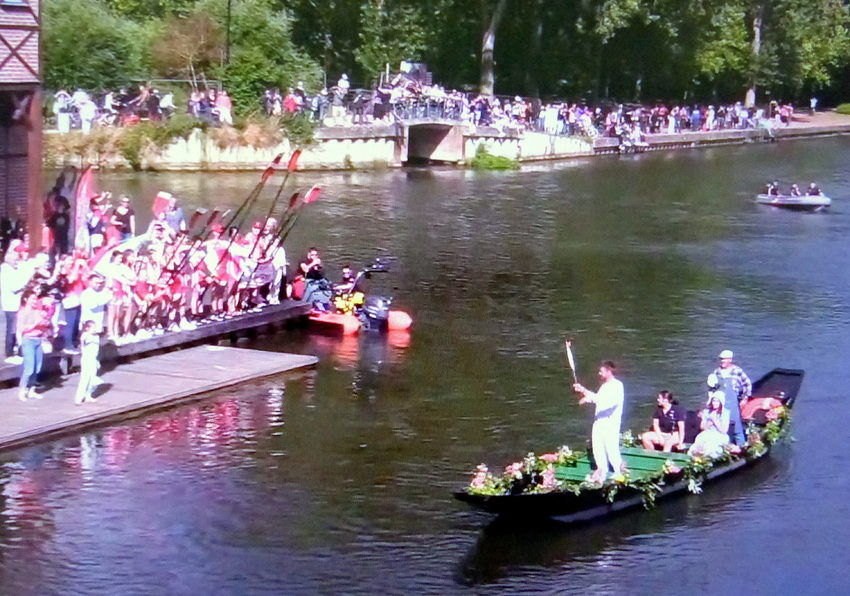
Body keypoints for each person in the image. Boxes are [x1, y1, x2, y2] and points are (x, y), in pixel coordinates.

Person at [573, 361, 627, 483]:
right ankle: (602, 471)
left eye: (601, 371)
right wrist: (587, 398)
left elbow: (607, 402)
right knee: (597, 448)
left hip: (610, 423)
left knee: (611, 448)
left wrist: (584, 390)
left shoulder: (617, 386)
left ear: (609, 371)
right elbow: (598, 399)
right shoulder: (604, 386)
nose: (599, 373)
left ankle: (619, 472)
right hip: (599, 422)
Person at [16, 289, 55, 401]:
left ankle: (32, 389)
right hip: (28, 340)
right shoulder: (22, 312)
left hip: (38, 339)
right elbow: (21, 328)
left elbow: (43, 326)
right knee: (29, 367)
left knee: (37, 367)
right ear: (26, 299)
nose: (35, 301)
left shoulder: (37, 312)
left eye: (35, 298)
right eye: (32, 299)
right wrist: (35, 324)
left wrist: (45, 323)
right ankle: (23, 390)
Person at [711, 350, 751, 445]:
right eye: (721, 359)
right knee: (720, 427)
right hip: (720, 404)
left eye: (724, 359)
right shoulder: (717, 372)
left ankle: (741, 446)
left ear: (730, 360)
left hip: (732, 404)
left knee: (737, 427)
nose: (722, 361)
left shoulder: (737, 371)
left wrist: (745, 398)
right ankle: (725, 447)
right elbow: (712, 389)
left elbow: (747, 384)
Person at [0, 250, 32, 363]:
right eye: (15, 259)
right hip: (11, 304)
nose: (17, 261)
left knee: (15, 328)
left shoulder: (12, 270)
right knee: (12, 329)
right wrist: (26, 280)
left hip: (16, 303)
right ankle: (9, 353)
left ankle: (15, 350)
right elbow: (15, 287)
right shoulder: (5, 271)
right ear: (8, 260)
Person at [689, 389, 730, 458]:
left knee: (711, 442)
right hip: (707, 432)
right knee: (701, 438)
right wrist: (708, 423)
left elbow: (724, 430)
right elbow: (702, 427)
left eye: (717, 401)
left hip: (719, 435)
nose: (714, 403)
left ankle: (709, 457)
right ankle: (696, 455)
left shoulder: (725, 413)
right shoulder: (707, 412)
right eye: (713, 401)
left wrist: (715, 420)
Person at [74, 320, 101, 404]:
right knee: (85, 378)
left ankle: (88, 395)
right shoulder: (86, 335)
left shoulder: (96, 337)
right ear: (87, 328)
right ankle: (79, 397)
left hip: (93, 359)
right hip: (86, 359)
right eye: (93, 327)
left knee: (92, 378)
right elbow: (83, 341)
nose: (95, 329)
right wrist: (86, 335)